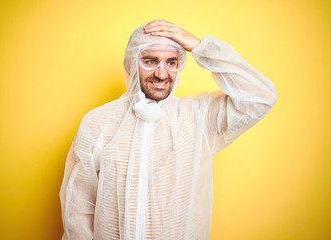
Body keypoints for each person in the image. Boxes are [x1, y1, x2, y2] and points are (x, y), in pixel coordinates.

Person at [59, 19, 277, 240]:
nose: (162, 75)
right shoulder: (98, 122)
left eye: (171, 62)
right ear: (131, 63)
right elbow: (78, 209)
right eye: (150, 61)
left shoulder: (197, 118)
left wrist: (200, 47)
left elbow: (261, 97)